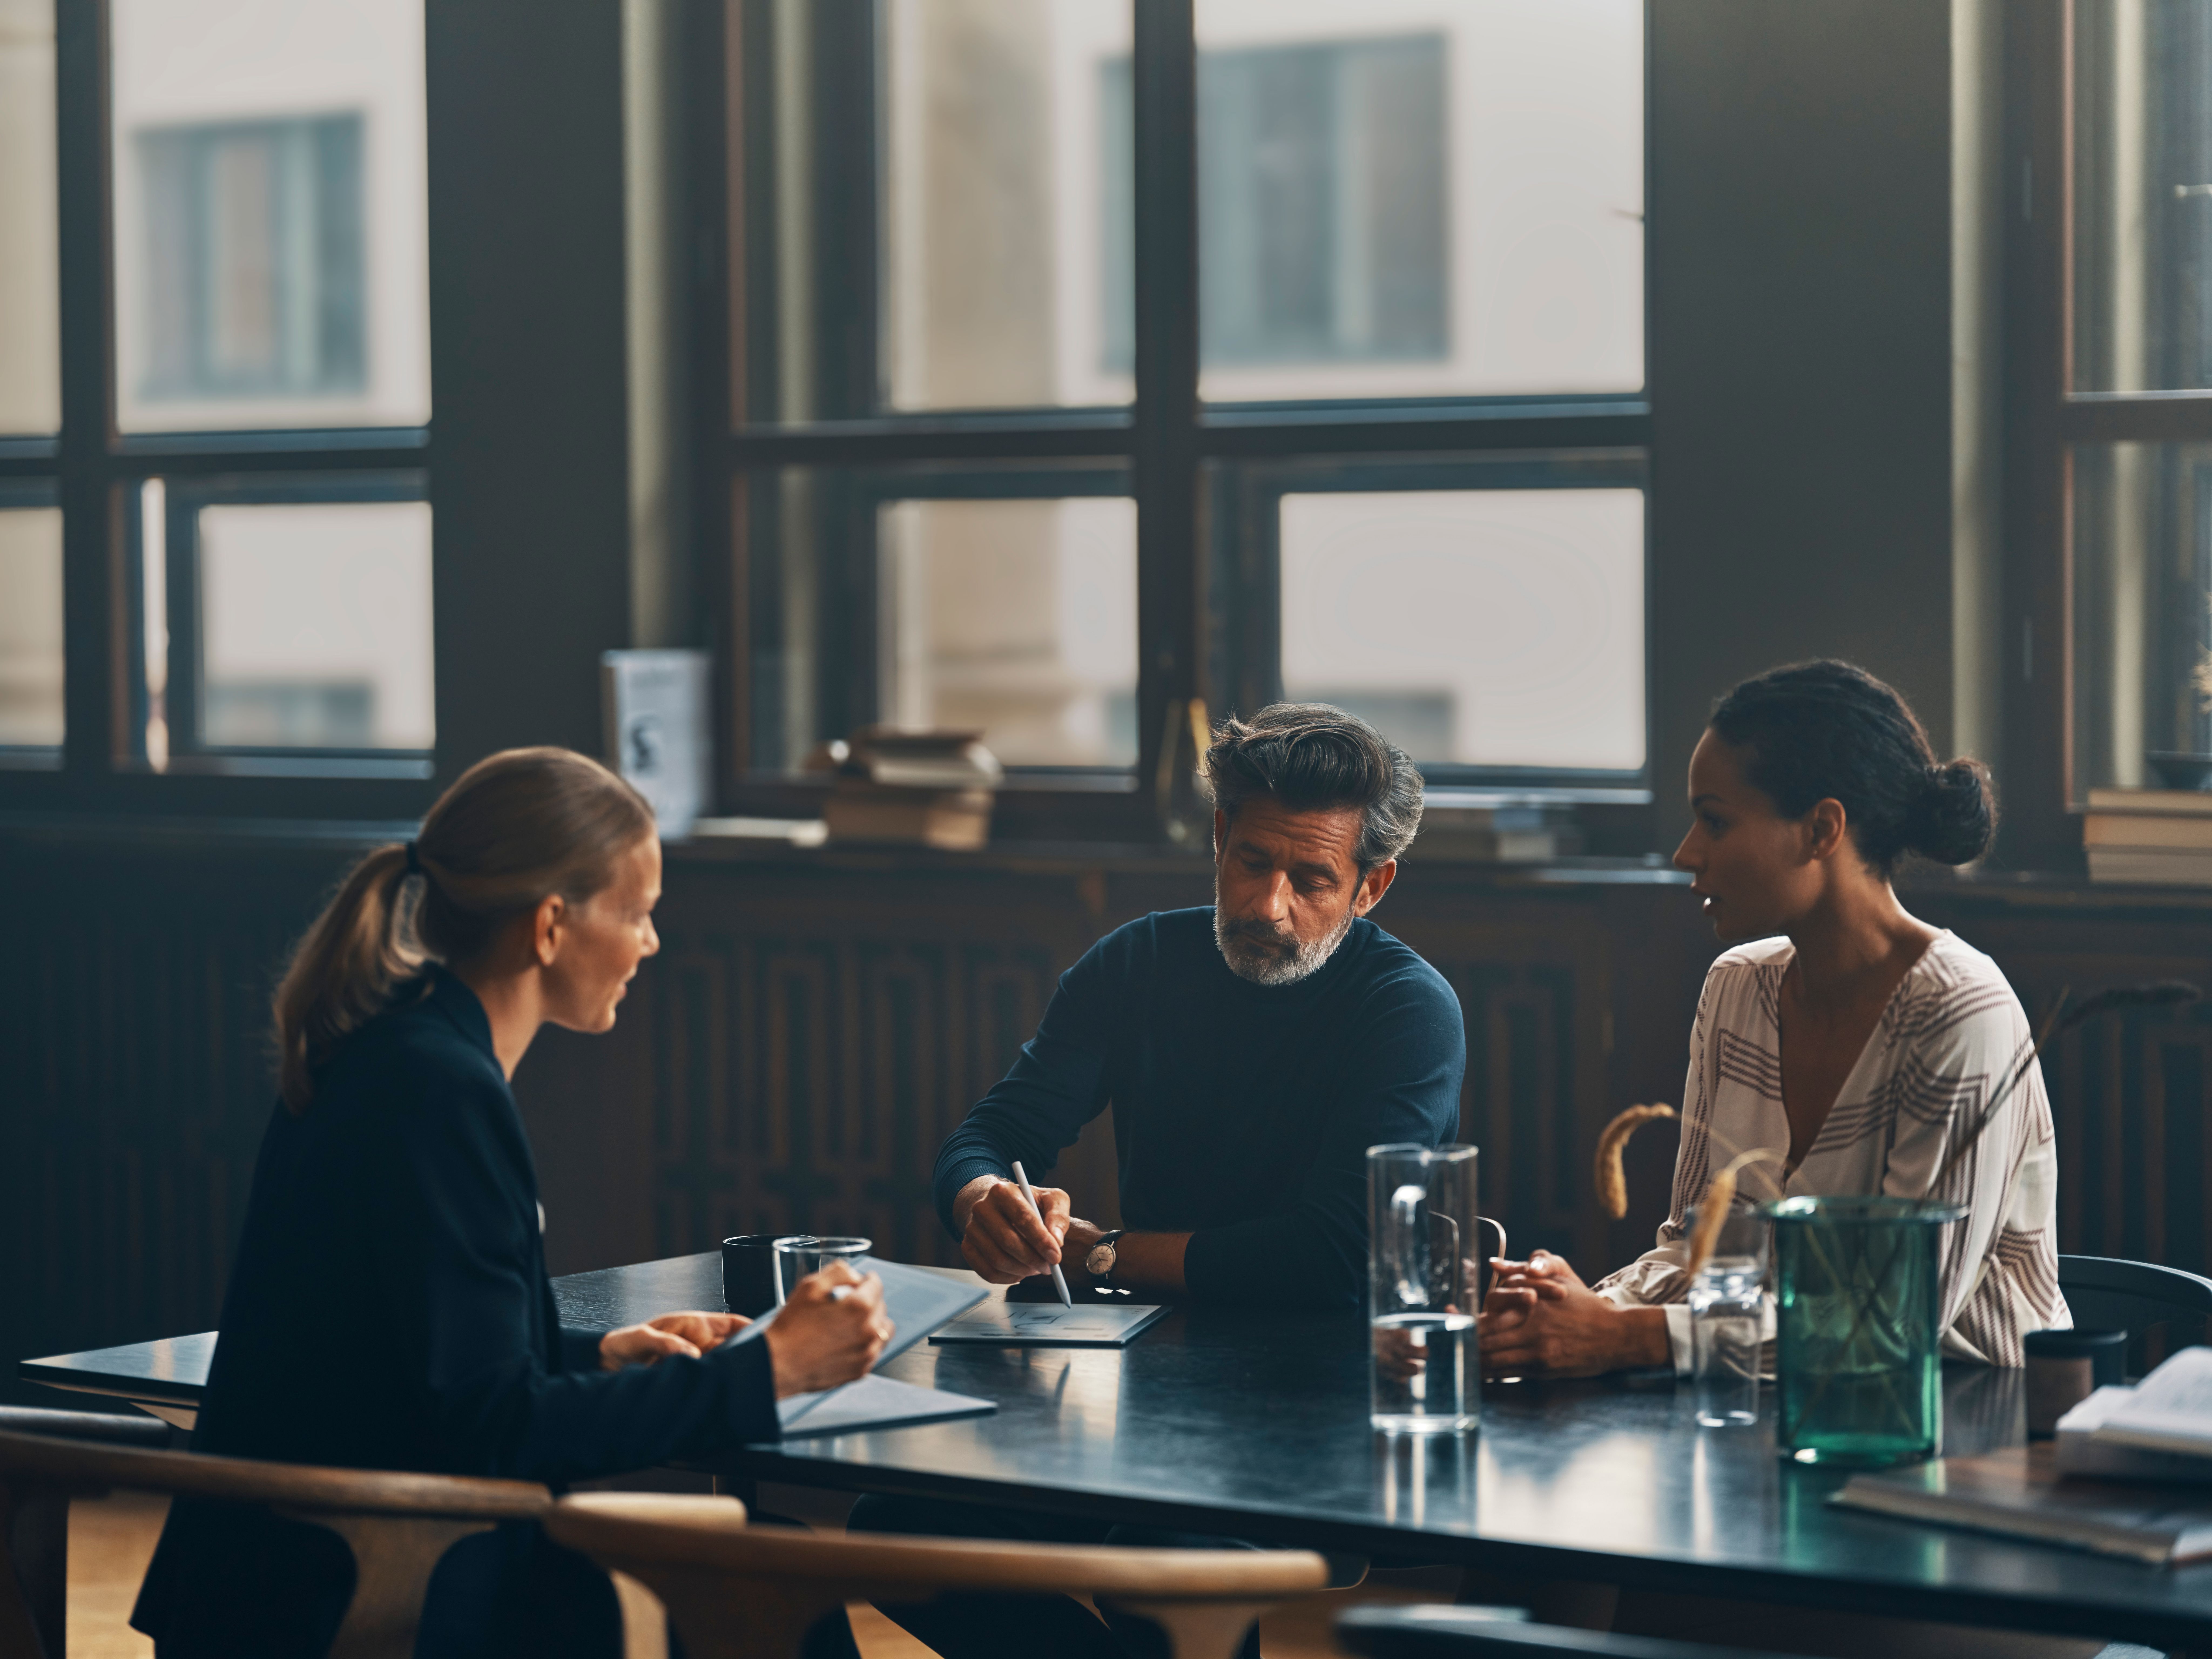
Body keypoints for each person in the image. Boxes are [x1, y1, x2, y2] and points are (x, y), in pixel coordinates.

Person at [131, 748, 892, 1659]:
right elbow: (496, 1431)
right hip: (360, 1593)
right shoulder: (441, 1092)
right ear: (550, 926)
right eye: (640, 913)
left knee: (767, 1563)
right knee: (769, 1581)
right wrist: (767, 1371)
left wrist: (597, 1354)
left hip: (278, 1576)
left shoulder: (397, 1049)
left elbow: (413, 1355)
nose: (652, 942)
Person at [848, 702, 1467, 1659]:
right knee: (897, 1532)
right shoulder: (1137, 961)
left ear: (1371, 887)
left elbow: (1331, 1260)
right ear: (1219, 837)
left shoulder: (1409, 1010)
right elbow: (993, 1134)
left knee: (1168, 1562)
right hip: (1146, 1373)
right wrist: (986, 1204)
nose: (1270, 906)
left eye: (1312, 880)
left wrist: (1096, 1253)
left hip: (1326, 1394)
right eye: (1254, 861)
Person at [1479, 660, 2068, 1380]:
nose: (1686, 853)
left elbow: (1894, 1320)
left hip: (1964, 1429)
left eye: (1715, 821)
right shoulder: (1737, 990)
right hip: (1768, 1413)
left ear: (1822, 829)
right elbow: (1692, 1255)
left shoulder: (1961, 1013)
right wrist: (1567, 1309)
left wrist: (1624, 1338)